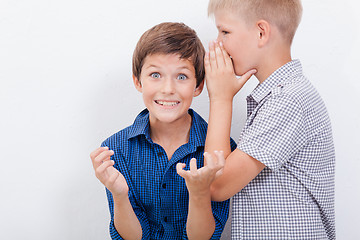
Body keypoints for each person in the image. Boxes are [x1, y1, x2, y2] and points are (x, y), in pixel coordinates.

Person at [201, 0, 336, 239]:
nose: (218, 43)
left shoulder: (287, 101)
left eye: (225, 32)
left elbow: (216, 184)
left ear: (261, 33)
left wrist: (221, 98)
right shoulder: (284, 96)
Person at [90, 22, 236, 240]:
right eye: (155, 75)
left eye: (182, 76)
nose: (168, 89)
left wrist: (199, 193)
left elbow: (203, 237)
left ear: (198, 86)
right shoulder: (115, 150)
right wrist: (120, 196)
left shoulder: (219, 149)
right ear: (138, 81)